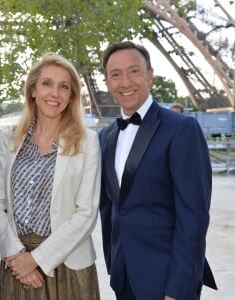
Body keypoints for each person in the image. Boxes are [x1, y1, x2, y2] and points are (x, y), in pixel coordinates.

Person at [99, 41, 217, 300]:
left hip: (167, 280)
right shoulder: (106, 136)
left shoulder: (181, 129)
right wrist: (114, 263)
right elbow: (109, 208)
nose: (125, 82)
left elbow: (193, 217)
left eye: (134, 71)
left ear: (150, 75)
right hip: (124, 278)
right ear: (107, 81)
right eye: (115, 74)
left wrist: (178, 287)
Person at [0, 52, 101, 300]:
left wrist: (37, 260)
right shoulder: (10, 139)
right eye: (47, 83)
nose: (55, 93)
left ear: (71, 96)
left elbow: (87, 212)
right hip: (17, 263)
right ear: (33, 90)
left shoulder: (87, 141)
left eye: (64, 87)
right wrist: (16, 255)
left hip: (68, 265)